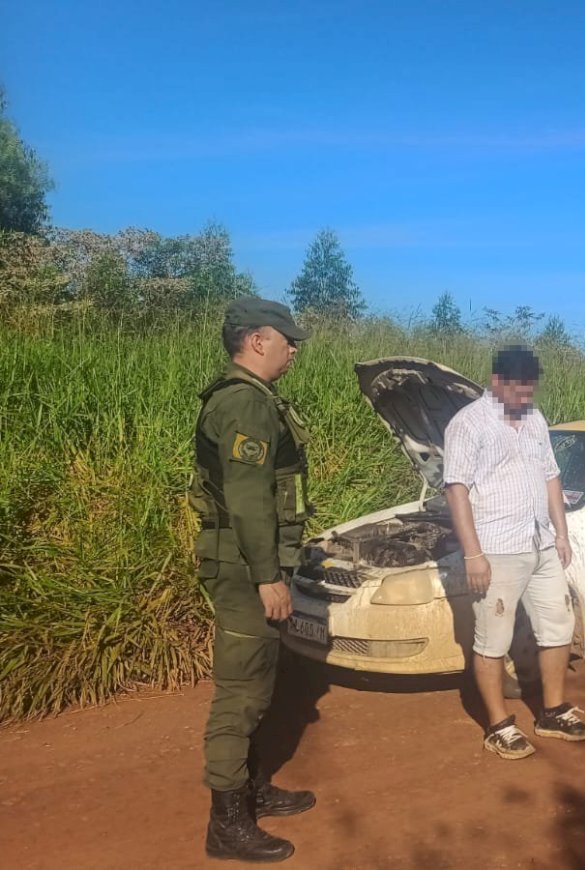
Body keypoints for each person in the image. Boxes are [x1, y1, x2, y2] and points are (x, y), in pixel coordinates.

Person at [188, 297, 316, 863]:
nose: (294, 350)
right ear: (257, 340)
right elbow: (247, 500)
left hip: (248, 563)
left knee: (261, 682)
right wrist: (268, 576)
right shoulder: (245, 403)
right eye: (288, 340)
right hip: (245, 569)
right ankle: (227, 826)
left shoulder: (249, 398)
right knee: (240, 694)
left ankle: (252, 789)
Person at [444, 345, 585, 759]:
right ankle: (499, 726)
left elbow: (551, 476)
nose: (525, 398)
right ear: (497, 382)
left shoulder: (535, 418)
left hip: (540, 543)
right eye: (518, 390)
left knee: (558, 627)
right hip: (496, 549)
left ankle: (553, 712)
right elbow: (456, 489)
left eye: (531, 389)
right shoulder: (468, 424)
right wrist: (473, 554)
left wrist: (561, 534)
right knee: (493, 639)